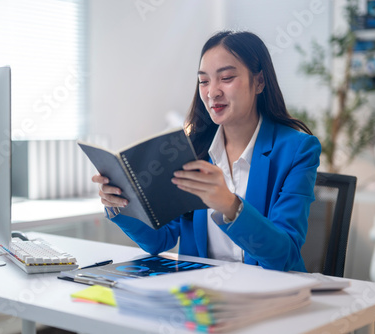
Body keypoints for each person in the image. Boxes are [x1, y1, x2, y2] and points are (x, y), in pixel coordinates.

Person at [92, 30, 321, 272]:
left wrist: (230, 206)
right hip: (202, 296)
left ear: (259, 82)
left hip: (270, 295)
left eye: (227, 77)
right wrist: (120, 204)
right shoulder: (191, 148)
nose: (212, 92)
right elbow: (160, 240)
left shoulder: (298, 150)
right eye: (203, 81)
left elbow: (283, 256)